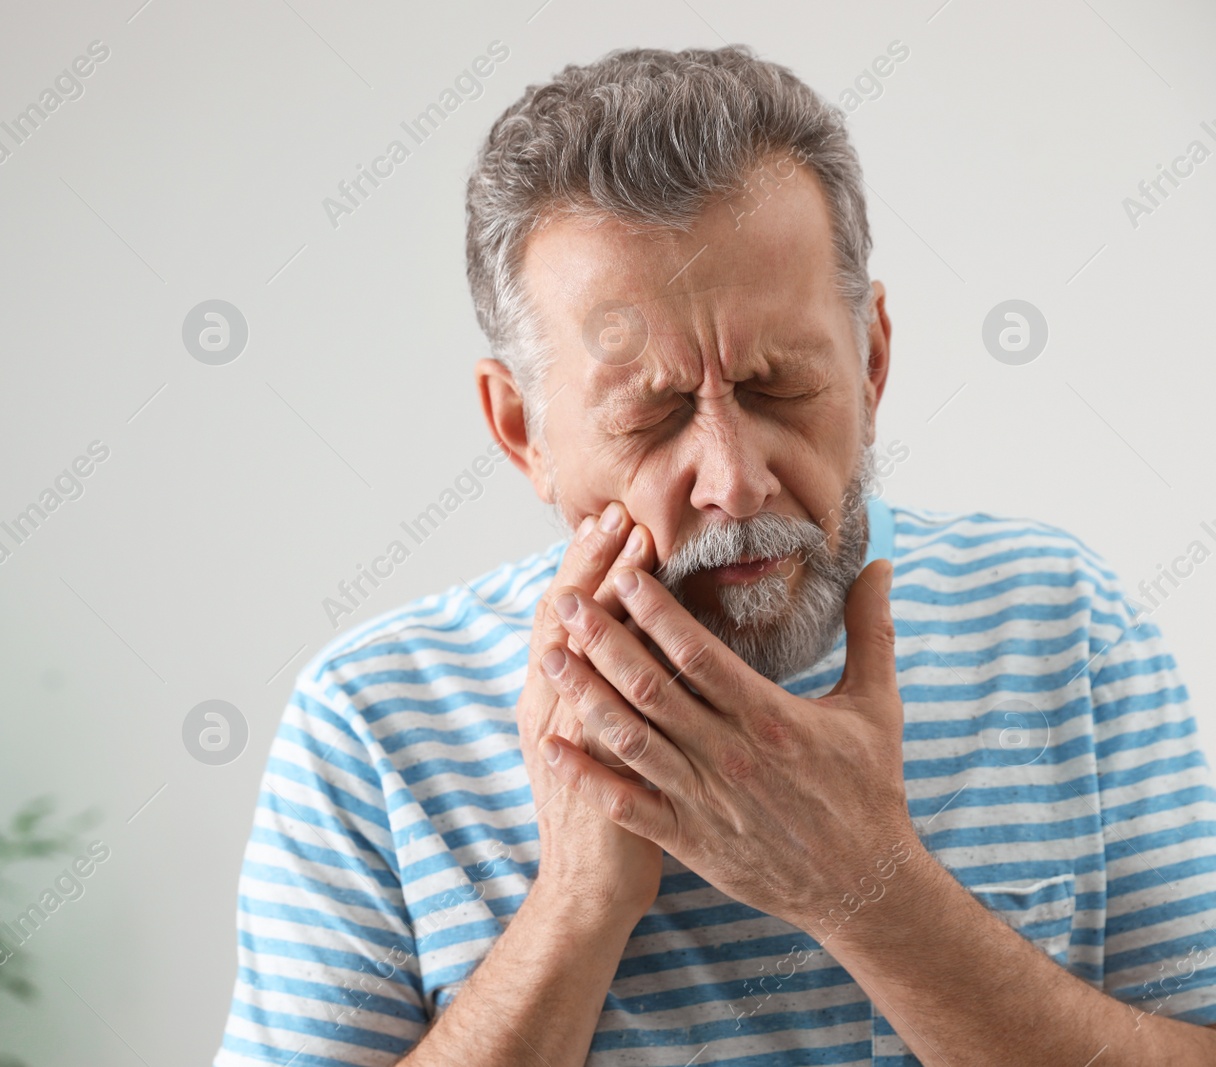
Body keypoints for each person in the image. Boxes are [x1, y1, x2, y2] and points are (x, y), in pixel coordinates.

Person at [215, 45, 1216, 1065]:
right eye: (649, 416)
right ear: (521, 430)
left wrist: (864, 885)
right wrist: (576, 905)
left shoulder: (1061, 624)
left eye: (778, 387)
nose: (732, 479)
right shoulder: (370, 724)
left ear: (870, 360)